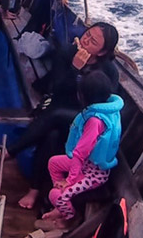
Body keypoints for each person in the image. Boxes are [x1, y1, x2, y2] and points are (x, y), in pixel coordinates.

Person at [0, 22, 120, 209]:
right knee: (51, 133)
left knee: (55, 117)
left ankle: (8, 152)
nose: (86, 40)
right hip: (61, 105)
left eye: (93, 41)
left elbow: (103, 105)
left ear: (102, 52)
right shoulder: (67, 54)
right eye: (87, 34)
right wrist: (74, 68)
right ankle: (34, 190)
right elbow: (57, 89)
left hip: (87, 118)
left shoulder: (108, 72)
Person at [40, 73, 123, 229]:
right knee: (53, 163)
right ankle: (61, 206)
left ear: (82, 96)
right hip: (88, 164)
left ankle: (68, 218)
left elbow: (80, 153)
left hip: (94, 173)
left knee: (56, 195)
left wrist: (69, 181)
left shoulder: (94, 121)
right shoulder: (110, 110)